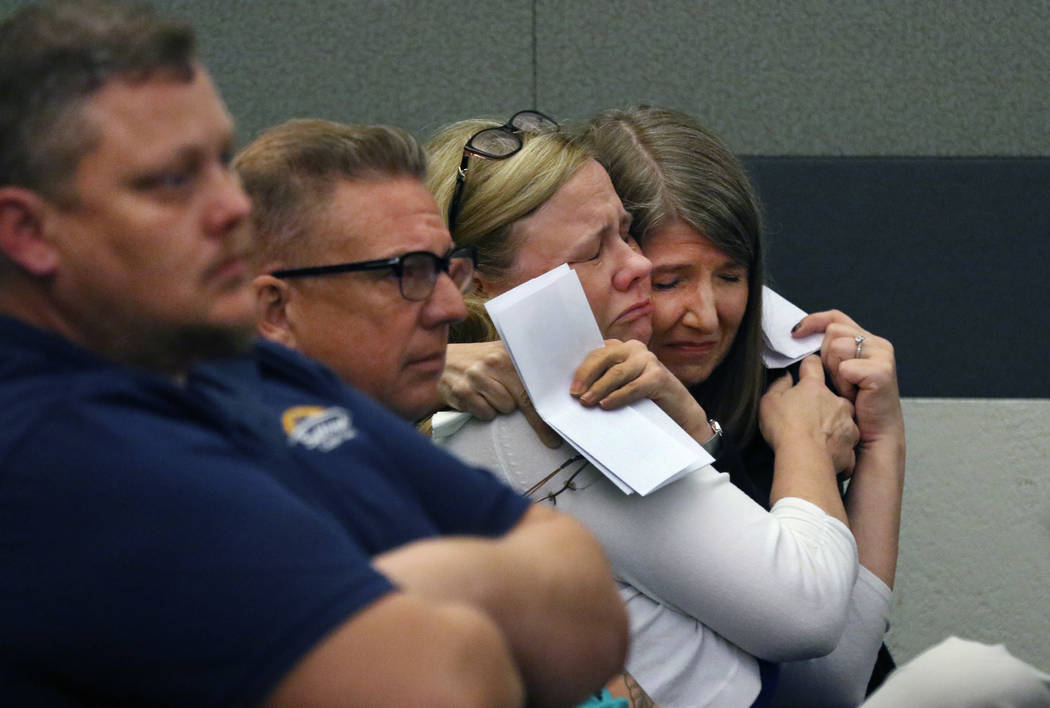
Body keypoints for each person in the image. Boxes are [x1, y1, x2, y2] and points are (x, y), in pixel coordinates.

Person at [0, 3, 628, 705]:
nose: (231, 208)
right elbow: (440, 683)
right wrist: (470, 603)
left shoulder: (254, 369)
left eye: (218, 162)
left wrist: (405, 587)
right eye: (172, 180)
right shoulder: (60, 448)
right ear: (28, 232)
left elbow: (592, 610)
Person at [426, 111, 867, 707]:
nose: (637, 265)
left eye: (626, 232)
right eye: (593, 251)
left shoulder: (467, 409)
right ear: (474, 284)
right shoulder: (561, 410)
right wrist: (807, 446)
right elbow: (811, 619)